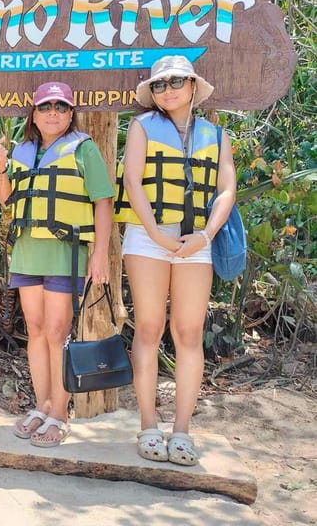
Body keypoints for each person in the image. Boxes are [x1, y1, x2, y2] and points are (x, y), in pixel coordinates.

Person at [114, 55, 236, 466]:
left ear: (192, 85)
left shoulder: (216, 135)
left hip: (196, 241)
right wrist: (154, 234)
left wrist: (205, 235)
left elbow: (225, 190)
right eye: (160, 85)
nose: (168, 91)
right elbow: (133, 180)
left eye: (175, 82)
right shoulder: (142, 127)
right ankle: (148, 424)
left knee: (188, 332)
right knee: (148, 327)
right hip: (150, 238)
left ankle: (182, 430)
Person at [0, 81, 113, 447]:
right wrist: (0, 167)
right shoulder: (24, 151)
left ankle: (61, 413)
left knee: (58, 333)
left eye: (61, 107)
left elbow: (103, 202)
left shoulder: (84, 149)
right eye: (46, 107)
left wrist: (99, 254)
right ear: (34, 113)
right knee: (37, 329)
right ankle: (42, 405)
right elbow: (6, 198)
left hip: (66, 251)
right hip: (28, 248)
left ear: (71, 113)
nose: (53, 113)